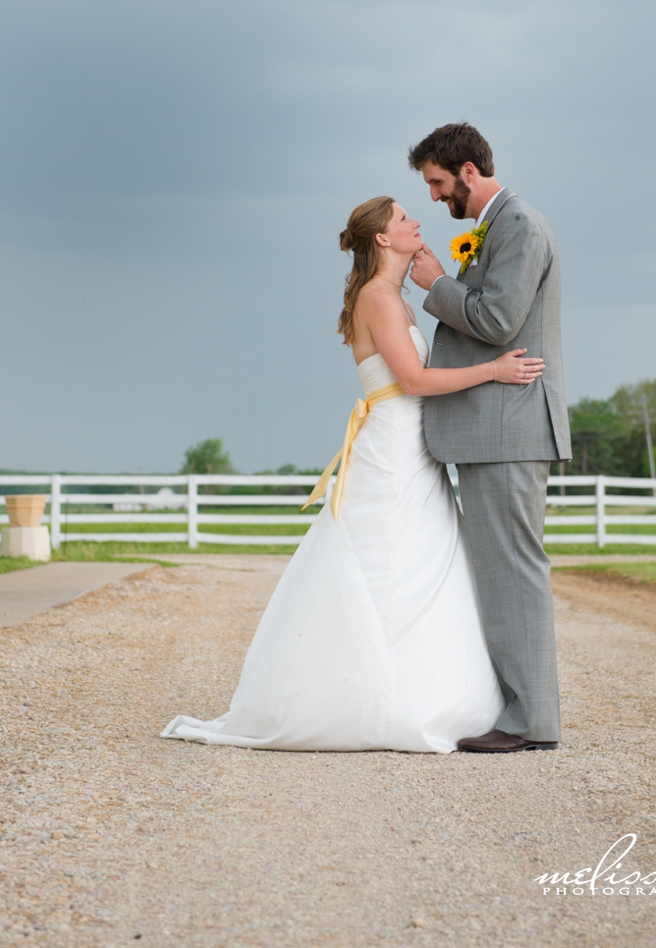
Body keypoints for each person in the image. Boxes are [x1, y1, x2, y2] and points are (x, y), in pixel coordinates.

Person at [163, 197, 543, 751]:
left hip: (415, 447)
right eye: (404, 218)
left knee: (427, 560)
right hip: (392, 447)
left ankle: (423, 692)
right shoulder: (378, 298)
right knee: (389, 561)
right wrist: (494, 370)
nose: (416, 221)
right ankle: (372, 700)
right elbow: (412, 381)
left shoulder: (395, 297)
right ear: (384, 240)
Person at [406, 122, 571, 753]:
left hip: (509, 428)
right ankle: (522, 714)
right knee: (503, 574)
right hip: (495, 429)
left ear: (468, 172)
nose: (434, 196)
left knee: (515, 574)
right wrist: (452, 278)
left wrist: (435, 286)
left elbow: (499, 321)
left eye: (438, 183)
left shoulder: (520, 226)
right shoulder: (498, 228)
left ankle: (530, 724)